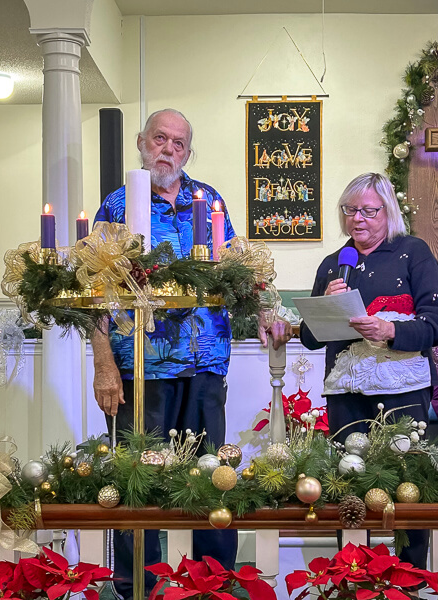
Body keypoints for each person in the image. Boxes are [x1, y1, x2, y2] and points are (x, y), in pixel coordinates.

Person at [92, 108, 293, 598]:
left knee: (213, 475)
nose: (168, 149)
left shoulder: (211, 201)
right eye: (160, 138)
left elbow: (240, 268)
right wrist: (103, 365)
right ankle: (136, 584)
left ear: (187, 152)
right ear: (142, 143)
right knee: (138, 478)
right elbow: (97, 291)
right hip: (145, 368)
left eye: (179, 143)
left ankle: (214, 583)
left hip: (206, 364)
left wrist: (268, 309)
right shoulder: (117, 208)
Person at [300, 172, 438, 574]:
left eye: (368, 210)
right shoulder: (333, 264)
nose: (357, 219)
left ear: (388, 211)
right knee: (348, 488)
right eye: (349, 210)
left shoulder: (415, 253)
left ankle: (409, 579)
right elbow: (310, 338)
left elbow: (434, 323)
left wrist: (391, 330)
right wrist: (325, 303)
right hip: (346, 395)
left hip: (404, 392)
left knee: (408, 491)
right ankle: (351, 577)